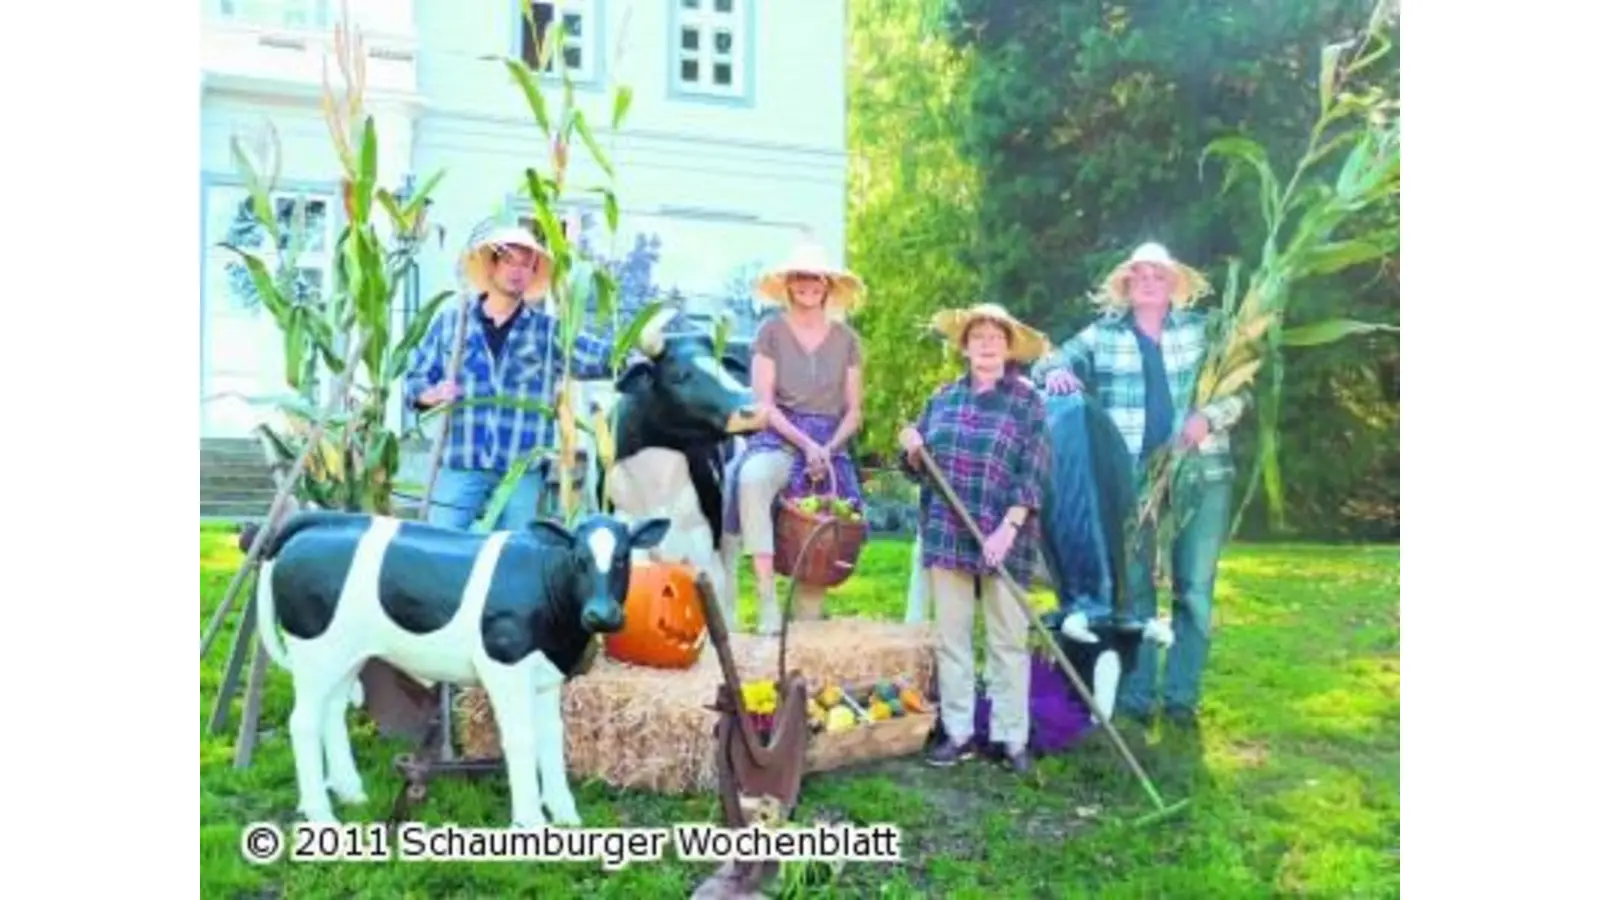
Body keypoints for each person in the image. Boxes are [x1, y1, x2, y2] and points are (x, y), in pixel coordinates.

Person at [1032, 241, 1248, 727]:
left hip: (1201, 474)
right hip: (1131, 482)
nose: (1149, 281)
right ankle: (1134, 693)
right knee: (1134, 590)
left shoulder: (1202, 332)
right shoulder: (1102, 335)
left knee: (1194, 590)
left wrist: (1208, 417)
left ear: (1174, 283)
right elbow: (1046, 363)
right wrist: (1060, 374)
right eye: (1140, 275)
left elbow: (1241, 391)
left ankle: (1180, 700)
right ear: (1126, 285)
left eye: (1159, 274)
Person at [897, 303, 1052, 773]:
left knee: (1007, 638)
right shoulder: (942, 399)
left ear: (1008, 347)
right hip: (948, 532)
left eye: (995, 336)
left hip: (1007, 534)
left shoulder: (1026, 401)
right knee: (953, 638)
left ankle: (1010, 738)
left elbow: (1036, 470)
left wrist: (1008, 527)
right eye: (977, 336)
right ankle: (959, 732)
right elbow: (916, 470)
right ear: (964, 346)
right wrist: (912, 451)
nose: (986, 343)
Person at [404, 224, 617, 531]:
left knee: (515, 557)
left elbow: (601, 357)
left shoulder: (548, 331)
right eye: (510, 261)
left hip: (522, 468)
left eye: (526, 266)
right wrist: (431, 394)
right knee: (440, 547)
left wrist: (642, 352)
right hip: (463, 461)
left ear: (533, 275)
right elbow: (415, 379)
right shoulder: (453, 322)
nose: (517, 272)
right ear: (492, 265)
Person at [723, 237, 868, 634]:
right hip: (781, 435)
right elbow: (764, 405)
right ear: (788, 283)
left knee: (828, 519)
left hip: (831, 441)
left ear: (828, 284)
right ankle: (767, 597)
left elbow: (854, 411)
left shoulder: (848, 341)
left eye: (815, 277)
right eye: (799, 277)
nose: (808, 284)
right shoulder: (770, 332)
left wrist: (828, 447)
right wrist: (805, 445)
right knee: (751, 479)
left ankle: (806, 614)